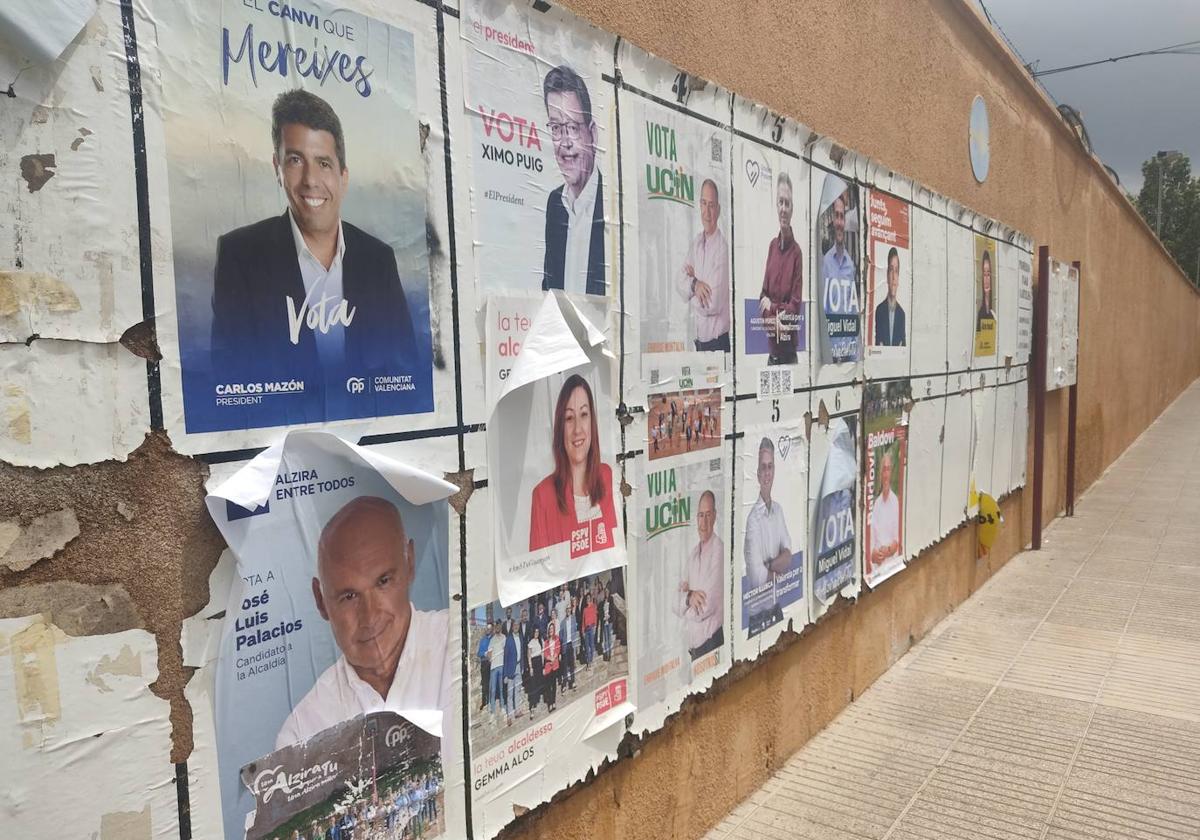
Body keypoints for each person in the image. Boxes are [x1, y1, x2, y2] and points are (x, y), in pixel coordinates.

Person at [210, 90, 419, 383]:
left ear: (343, 176)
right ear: (277, 168)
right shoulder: (240, 256)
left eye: (323, 163)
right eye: (296, 160)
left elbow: (405, 377)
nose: (310, 180)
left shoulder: (378, 260)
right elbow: (231, 382)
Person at [274, 496, 448, 749]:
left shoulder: (462, 646)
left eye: (383, 581)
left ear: (409, 562)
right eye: (349, 596)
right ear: (321, 601)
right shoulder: (302, 734)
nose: (370, 617)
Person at [528, 374, 619, 553]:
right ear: (560, 428)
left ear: (592, 421)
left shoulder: (606, 476)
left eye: (584, 415)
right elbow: (538, 575)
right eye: (569, 418)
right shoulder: (543, 496)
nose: (578, 429)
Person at [541, 65, 605, 296]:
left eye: (573, 128)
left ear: (592, 135)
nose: (565, 142)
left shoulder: (610, 201)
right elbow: (548, 288)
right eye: (557, 128)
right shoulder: (555, 204)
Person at [675, 179, 731, 351]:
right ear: (699, 205)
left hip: (717, 345)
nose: (707, 212)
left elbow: (712, 303)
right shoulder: (697, 242)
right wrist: (695, 284)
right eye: (704, 204)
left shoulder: (722, 248)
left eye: (712, 206)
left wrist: (690, 288)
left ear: (719, 209)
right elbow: (679, 281)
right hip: (699, 343)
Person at [743, 438, 793, 625]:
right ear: (757, 474)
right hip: (758, 616)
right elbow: (756, 577)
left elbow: (788, 555)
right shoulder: (752, 521)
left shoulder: (778, 511)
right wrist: (775, 568)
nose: (767, 473)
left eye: (770, 467)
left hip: (777, 607)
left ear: (774, 471)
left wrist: (768, 565)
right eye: (763, 467)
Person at [758, 172, 804, 365]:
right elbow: (762, 296)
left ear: (792, 208)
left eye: (787, 203)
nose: (783, 209)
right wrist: (772, 320)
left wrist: (772, 308)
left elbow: (794, 307)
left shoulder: (797, 253)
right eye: (780, 202)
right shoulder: (771, 247)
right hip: (772, 356)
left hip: (788, 355)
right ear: (776, 206)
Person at [676, 489, 725, 659]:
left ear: (715, 516)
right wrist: (689, 598)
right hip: (693, 651)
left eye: (708, 515)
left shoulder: (719, 551)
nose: (703, 522)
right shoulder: (692, 555)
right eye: (700, 515)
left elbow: (706, 606)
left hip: (711, 645)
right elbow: (673, 602)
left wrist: (684, 606)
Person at [869, 449, 902, 570]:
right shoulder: (876, 505)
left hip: (891, 564)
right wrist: (873, 554)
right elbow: (871, 541)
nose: (886, 474)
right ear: (880, 474)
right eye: (884, 469)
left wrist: (888, 550)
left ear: (891, 472)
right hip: (877, 569)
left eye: (888, 469)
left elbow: (896, 541)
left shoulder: (895, 502)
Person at [874, 246, 906, 346]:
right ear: (887, 275)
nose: (893, 277)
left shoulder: (901, 314)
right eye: (891, 270)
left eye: (896, 271)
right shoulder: (879, 311)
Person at [821, 193, 855, 283]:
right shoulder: (826, 262)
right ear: (833, 219)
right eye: (836, 216)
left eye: (842, 216)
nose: (839, 223)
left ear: (845, 221)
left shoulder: (850, 265)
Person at [502, 620, 520, 725]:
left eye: (517, 625)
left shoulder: (520, 638)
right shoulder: (509, 639)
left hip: (518, 667)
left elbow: (521, 652)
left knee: (517, 690)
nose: (516, 627)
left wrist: (521, 666)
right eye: (515, 625)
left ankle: (517, 711)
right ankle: (509, 716)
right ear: (512, 627)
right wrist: (505, 674)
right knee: (510, 693)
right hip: (510, 669)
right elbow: (505, 658)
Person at [486, 623, 505, 719]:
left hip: (502, 666)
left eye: (499, 627)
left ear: (500, 628)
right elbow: (489, 652)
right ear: (495, 628)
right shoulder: (492, 640)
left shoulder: (504, 637)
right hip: (494, 667)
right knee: (493, 690)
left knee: (502, 688)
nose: (498, 628)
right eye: (496, 627)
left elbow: (506, 650)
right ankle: (492, 711)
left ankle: (502, 707)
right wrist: (490, 659)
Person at [559, 596, 578, 690]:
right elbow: (561, 635)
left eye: (569, 609)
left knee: (572, 664)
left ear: (570, 610)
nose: (568, 611)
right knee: (565, 666)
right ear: (565, 611)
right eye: (567, 609)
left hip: (572, 644)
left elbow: (575, 631)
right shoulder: (562, 622)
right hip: (565, 645)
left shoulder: (574, 619)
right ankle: (565, 684)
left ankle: (573, 681)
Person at [542, 621, 560, 712]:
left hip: (555, 665)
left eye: (552, 629)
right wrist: (550, 658)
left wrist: (554, 657)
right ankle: (549, 703)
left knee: (554, 684)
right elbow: (545, 653)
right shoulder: (546, 642)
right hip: (549, 665)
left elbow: (558, 648)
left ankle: (554, 702)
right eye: (549, 629)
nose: (551, 631)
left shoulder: (557, 639)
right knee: (548, 686)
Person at [475, 621, 492, 711]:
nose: (487, 630)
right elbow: (479, 653)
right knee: (485, 683)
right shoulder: (483, 640)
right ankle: (484, 701)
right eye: (486, 628)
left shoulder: (493, 639)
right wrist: (485, 653)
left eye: (489, 628)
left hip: (492, 663)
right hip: (484, 663)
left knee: (490, 683)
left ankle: (490, 700)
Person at [526, 627, 543, 713]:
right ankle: (533, 703)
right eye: (535, 632)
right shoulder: (531, 642)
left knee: (539, 681)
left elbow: (542, 652)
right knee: (534, 683)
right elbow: (529, 656)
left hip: (540, 662)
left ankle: (538, 700)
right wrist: (530, 667)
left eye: (538, 632)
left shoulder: (539, 641)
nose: (536, 633)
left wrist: (543, 664)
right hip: (534, 662)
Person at [977, 248, 995, 327]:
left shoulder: (994, 311)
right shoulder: (980, 313)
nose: (987, 279)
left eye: (988, 274)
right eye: (984, 275)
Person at [582, 593, 598, 667]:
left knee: (591, 645)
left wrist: (595, 627)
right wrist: (583, 630)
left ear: (590, 599)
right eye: (586, 599)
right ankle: (589, 661)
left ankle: (591, 660)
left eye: (588, 598)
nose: (587, 600)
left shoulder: (593, 607)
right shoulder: (585, 609)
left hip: (591, 628)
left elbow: (595, 618)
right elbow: (583, 620)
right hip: (586, 629)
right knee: (586, 645)